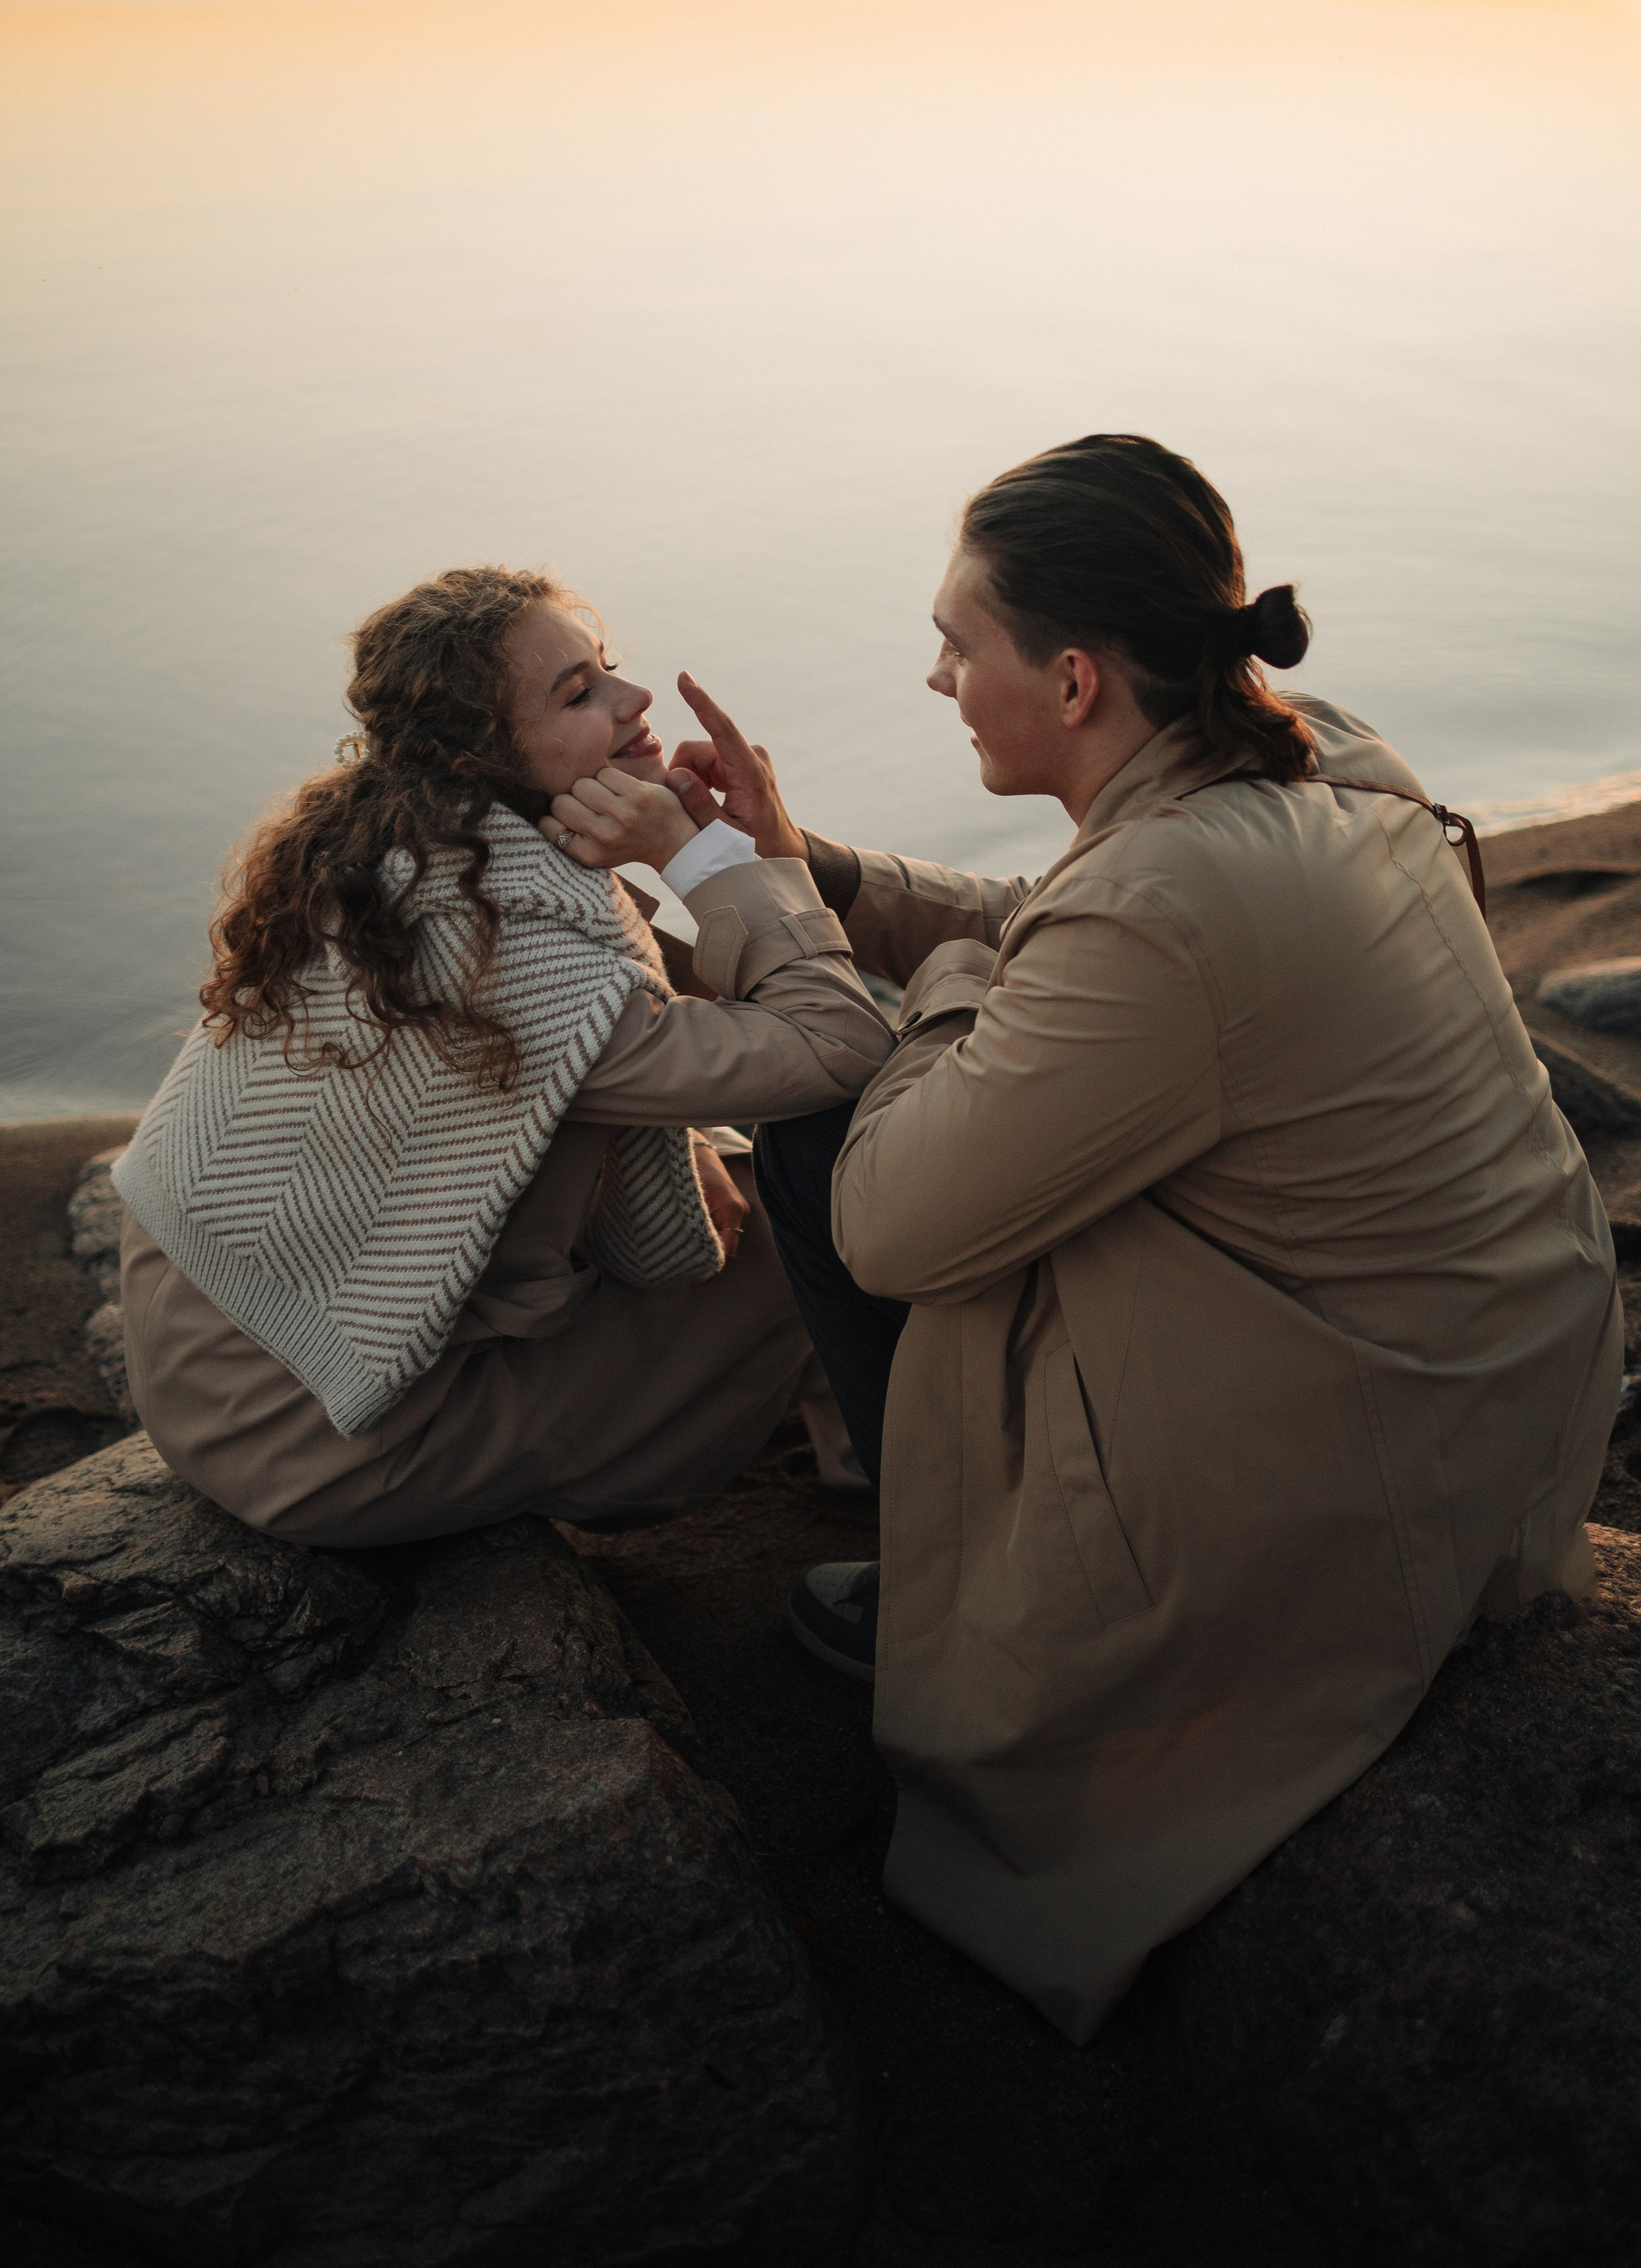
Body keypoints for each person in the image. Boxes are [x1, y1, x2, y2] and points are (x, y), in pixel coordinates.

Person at [639, 432, 1620, 2045]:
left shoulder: (1167, 902)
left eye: (961, 642)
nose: (936, 672)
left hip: (1364, 1467)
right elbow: (1065, 926)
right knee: (937, 1091)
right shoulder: (1318, 757)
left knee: (831, 1126)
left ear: (1075, 679)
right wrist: (802, 867)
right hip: (1495, 1380)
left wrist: (855, 973)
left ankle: (943, 1567)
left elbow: (896, 1222)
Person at [113, 565, 892, 1543]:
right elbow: (843, 1043)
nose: (635, 698)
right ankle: (892, 1458)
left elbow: (542, 1086)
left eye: (606, 668)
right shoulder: (515, 967)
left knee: (739, 1156)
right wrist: (710, 860)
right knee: (844, 1198)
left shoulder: (393, 864)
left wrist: (681, 1133)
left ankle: (850, 1432)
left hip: (207, 1352)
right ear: (484, 763)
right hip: (311, 1434)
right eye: (580, 694)